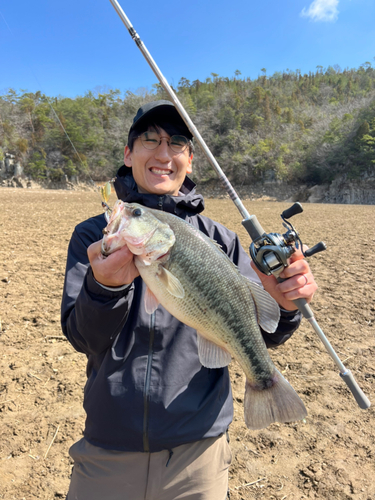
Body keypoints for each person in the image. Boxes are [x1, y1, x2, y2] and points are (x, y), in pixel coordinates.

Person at [61, 100, 317, 500]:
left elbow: (262, 332)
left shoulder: (224, 240)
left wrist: (285, 306)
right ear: (128, 154)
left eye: (177, 143)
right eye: (150, 140)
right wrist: (105, 288)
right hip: (108, 449)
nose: (164, 153)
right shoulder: (94, 237)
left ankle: (266, 385)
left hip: (199, 455)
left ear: (190, 160)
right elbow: (82, 339)